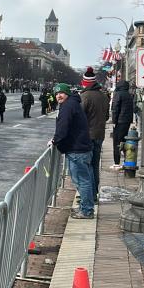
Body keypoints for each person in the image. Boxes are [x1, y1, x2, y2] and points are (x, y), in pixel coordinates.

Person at [52, 83, 94, 219]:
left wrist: (55, 140)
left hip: (77, 149)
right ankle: (85, 207)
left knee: (82, 181)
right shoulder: (72, 104)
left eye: (62, 93)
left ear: (67, 94)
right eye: (57, 93)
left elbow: (63, 127)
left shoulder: (68, 107)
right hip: (81, 148)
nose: (59, 95)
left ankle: (87, 210)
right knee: (85, 180)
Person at [80, 71, 109, 202]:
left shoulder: (85, 96)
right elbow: (107, 116)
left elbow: (79, 117)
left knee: (86, 166)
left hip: (87, 136)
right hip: (99, 134)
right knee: (95, 165)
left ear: (85, 83)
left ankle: (89, 196)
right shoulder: (103, 96)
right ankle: (95, 193)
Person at [111, 80, 135, 169]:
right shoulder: (129, 94)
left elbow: (115, 108)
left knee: (116, 142)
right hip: (127, 120)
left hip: (119, 121)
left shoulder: (118, 94)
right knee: (124, 141)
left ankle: (116, 162)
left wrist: (114, 121)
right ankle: (127, 160)